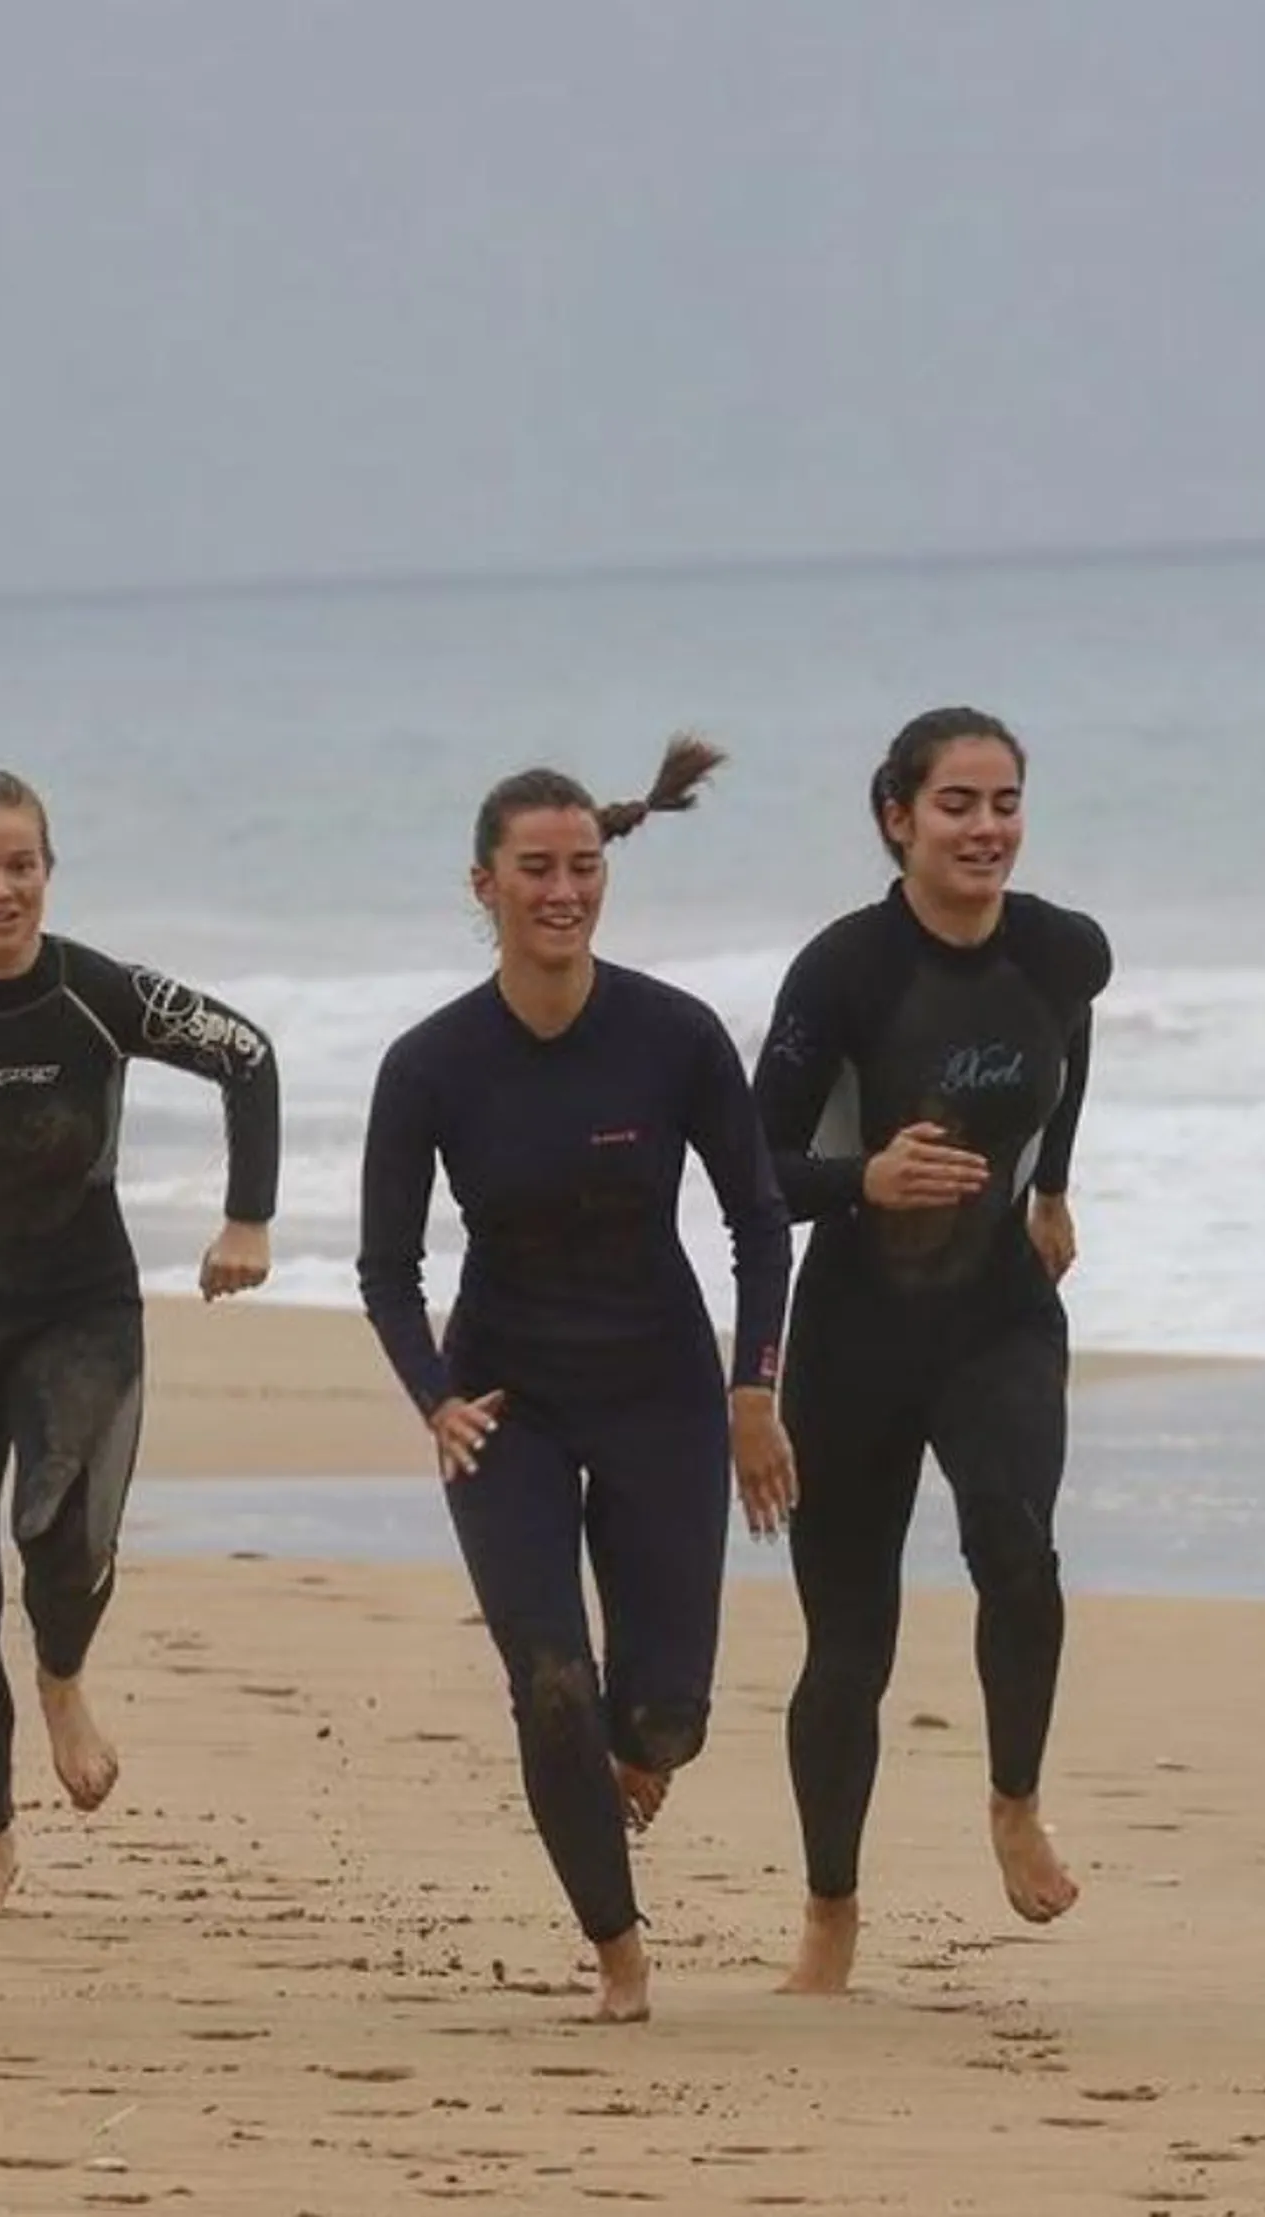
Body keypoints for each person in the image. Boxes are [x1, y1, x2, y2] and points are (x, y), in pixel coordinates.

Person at [355, 736, 798, 2026]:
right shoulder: (431, 1064)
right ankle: (618, 1948)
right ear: (481, 886)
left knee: (663, 1716)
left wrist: (752, 1388)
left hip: (661, 1391)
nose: (564, 892)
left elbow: (760, 1222)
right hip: (508, 1403)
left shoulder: (671, 1035)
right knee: (550, 1676)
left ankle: (636, 1755)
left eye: (583, 868)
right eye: (535, 870)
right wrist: (434, 1393)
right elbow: (388, 1265)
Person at [0, 769, 283, 1915]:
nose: (1, 889)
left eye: (20, 865)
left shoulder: (96, 992)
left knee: (63, 1536)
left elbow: (247, 1053)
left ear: (49, 868)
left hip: (79, 1306)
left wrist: (248, 1217)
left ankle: (65, 1675)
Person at [758, 706, 1112, 1995]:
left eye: (1005, 801)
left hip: (999, 1315)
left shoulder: (1066, 950)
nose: (987, 828)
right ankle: (831, 1913)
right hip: (854, 1330)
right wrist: (868, 1178)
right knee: (850, 1644)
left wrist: (1053, 1183)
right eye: (957, 804)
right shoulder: (844, 972)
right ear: (895, 817)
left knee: (1015, 1547)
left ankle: (1014, 1799)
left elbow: (1071, 1049)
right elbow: (755, 1170)